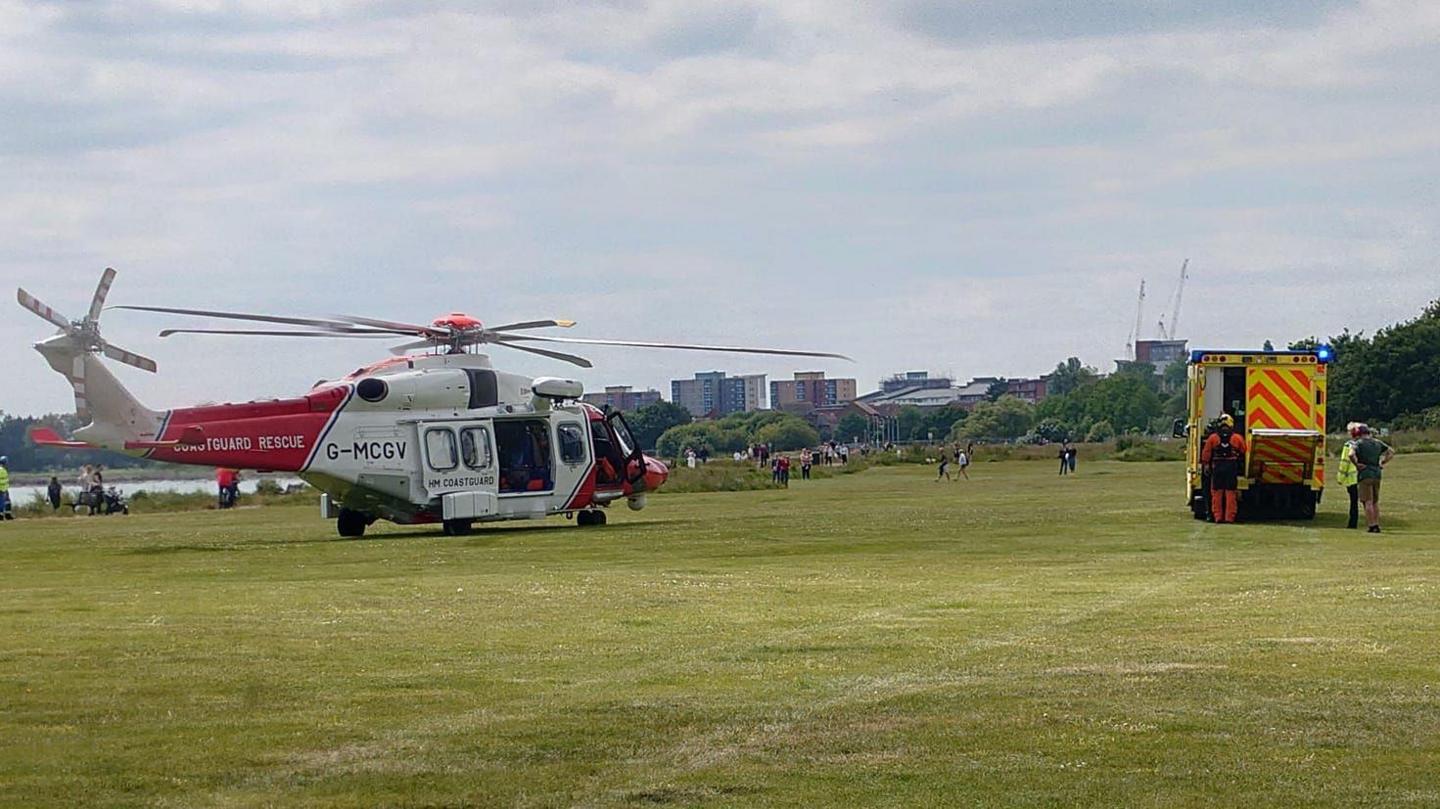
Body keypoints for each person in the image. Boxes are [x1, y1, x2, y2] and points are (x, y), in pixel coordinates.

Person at [1347, 424, 1395, 533]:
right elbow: (1391, 452)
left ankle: (1371, 525)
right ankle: (1377, 524)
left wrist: (1357, 464)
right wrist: (1383, 462)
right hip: (1376, 473)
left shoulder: (1357, 443)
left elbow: (1351, 454)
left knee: (1367, 501)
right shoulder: (1377, 442)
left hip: (1365, 474)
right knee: (1375, 501)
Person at [1201, 414, 1246, 524]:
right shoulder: (1237, 438)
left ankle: (1218, 517)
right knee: (1230, 493)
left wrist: (1206, 465)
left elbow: (1206, 453)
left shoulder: (1213, 438)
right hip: (1231, 467)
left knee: (1217, 493)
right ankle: (1229, 518)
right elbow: (1244, 451)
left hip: (1217, 467)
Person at [1336, 423, 1362, 530]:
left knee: (1354, 502)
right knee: (1369, 501)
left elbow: (1344, 463)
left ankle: (1352, 523)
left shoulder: (1348, 445)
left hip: (1352, 479)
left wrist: (1340, 478)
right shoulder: (1364, 443)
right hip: (1365, 476)